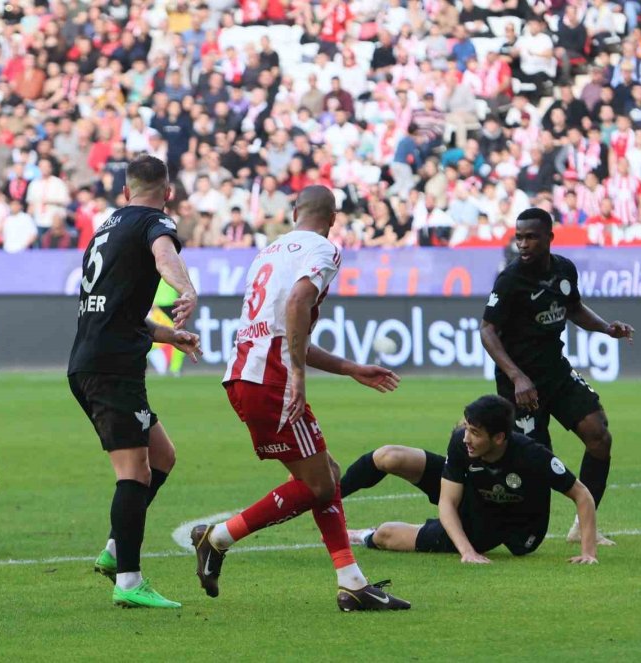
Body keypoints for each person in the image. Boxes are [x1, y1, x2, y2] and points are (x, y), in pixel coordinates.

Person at [191, 185, 410, 612]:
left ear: (295, 213)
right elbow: (297, 304)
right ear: (333, 219)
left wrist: (350, 368)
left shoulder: (267, 254)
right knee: (319, 484)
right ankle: (217, 537)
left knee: (326, 474)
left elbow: (286, 332)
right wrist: (296, 375)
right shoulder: (324, 250)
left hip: (244, 376)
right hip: (270, 380)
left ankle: (352, 582)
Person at [68, 154, 200, 609]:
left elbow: (116, 311)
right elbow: (165, 256)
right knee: (134, 472)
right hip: (112, 369)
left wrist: (169, 335)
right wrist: (186, 289)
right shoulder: (154, 223)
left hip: (90, 361)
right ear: (168, 193)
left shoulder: (106, 229)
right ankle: (128, 580)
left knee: (162, 456)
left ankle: (113, 548)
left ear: (126, 191)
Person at [480, 207, 635, 545]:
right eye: (519, 237)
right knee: (535, 459)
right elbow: (487, 330)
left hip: (556, 372)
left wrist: (606, 328)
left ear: (549, 237)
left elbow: (574, 308)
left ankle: (583, 526)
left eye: (531, 237)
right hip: (520, 384)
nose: (523, 244)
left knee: (599, 435)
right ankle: (497, 516)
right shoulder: (510, 280)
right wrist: (517, 377)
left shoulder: (564, 269)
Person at [343, 395, 599, 565]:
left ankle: (364, 535)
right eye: (466, 428)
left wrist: (588, 553)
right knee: (389, 456)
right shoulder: (462, 442)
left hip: (505, 524)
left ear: (499, 438)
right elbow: (447, 502)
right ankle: (329, 498)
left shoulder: (532, 455)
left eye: (475, 432)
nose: (466, 437)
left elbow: (582, 495)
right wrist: (466, 552)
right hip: (475, 490)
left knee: (385, 534)